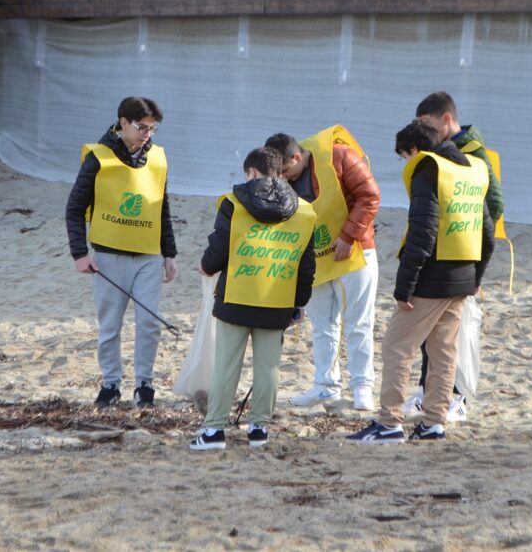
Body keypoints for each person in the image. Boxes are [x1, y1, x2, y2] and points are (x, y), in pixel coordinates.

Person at [347, 120, 494, 444]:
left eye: (404, 156)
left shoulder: (428, 170)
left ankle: (388, 423)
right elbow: (487, 232)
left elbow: (423, 232)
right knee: (444, 352)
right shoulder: (472, 170)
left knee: (398, 347)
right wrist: (476, 277)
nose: (406, 163)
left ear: (414, 150)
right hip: (462, 277)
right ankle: (434, 422)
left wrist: (405, 287)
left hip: (432, 279)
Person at [190, 147, 317, 450]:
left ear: (251, 172)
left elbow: (219, 247)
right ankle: (259, 428)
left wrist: (207, 266)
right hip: (277, 299)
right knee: (268, 366)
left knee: (226, 365)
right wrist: (298, 303)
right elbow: (306, 265)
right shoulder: (304, 211)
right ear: (280, 172)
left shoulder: (233, 204)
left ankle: (213, 431)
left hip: (236, 295)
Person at [65, 97, 177, 409]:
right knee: (110, 326)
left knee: (149, 323)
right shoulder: (98, 158)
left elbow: (162, 208)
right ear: (123, 123)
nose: (147, 134)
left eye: (152, 129)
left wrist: (170, 254)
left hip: (148, 258)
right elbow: (74, 209)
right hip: (108, 258)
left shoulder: (158, 158)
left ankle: (144, 385)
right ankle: (111, 384)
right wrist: (79, 254)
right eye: (142, 127)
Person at [264, 127, 381, 411]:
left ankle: (362, 386)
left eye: (285, 170)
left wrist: (348, 236)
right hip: (315, 258)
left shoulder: (339, 157)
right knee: (323, 325)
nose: (282, 178)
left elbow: (369, 196)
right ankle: (325, 386)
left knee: (358, 322)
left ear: (297, 156)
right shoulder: (283, 177)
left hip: (355, 253)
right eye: (276, 174)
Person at [405, 91, 504, 422]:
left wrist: (465, 236)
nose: (421, 131)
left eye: (425, 123)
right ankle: (427, 391)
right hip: (439, 258)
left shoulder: (472, 153)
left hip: (460, 258)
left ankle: (457, 398)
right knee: (432, 335)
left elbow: (494, 203)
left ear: (445, 119)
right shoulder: (437, 154)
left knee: (456, 335)